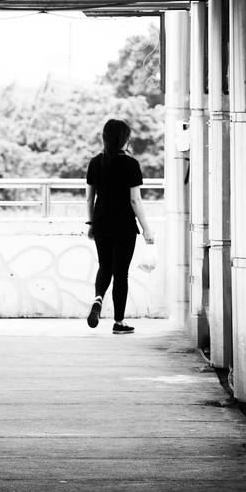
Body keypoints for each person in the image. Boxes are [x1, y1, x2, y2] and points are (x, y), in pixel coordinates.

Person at [84, 117, 154, 335]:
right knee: (120, 273)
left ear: (105, 137)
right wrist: (146, 229)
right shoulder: (131, 164)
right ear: (125, 139)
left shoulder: (96, 162)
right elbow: (135, 201)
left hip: (101, 223)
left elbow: (89, 198)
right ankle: (119, 322)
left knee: (104, 266)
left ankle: (97, 299)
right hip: (124, 225)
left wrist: (91, 223)